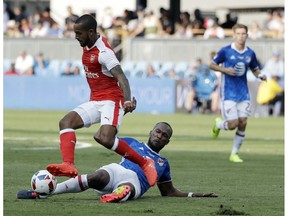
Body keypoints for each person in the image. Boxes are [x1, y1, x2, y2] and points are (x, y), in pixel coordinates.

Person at [46, 14, 157, 187]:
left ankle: (144, 163)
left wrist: (127, 101)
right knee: (65, 122)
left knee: (104, 138)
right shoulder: (88, 43)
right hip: (96, 100)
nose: (76, 37)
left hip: (112, 101)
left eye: (79, 33)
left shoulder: (104, 53)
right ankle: (68, 164)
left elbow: (122, 78)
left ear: (91, 32)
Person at [17, 122, 218, 202]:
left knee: (129, 186)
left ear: (168, 141)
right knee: (97, 176)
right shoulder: (130, 143)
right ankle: (44, 193)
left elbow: (168, 192)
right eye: (158, 131)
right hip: (117, 171)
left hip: (136, 183)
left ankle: (120, 194)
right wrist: (122, 113)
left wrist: (194, 194)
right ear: (151, 132)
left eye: (164, 135)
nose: (159, 136)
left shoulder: (163, 163)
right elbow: (104, 135)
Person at [209, 24, 267, 163]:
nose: (241, 36)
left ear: (247, 35)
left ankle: (234, 154)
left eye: (243, 34)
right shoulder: (226, 51)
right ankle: (218, 125)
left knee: (243, 123)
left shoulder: (250, 53)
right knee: (233, 124)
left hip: (243, 93)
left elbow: (255, 68)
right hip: (228, 92)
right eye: (238, 34)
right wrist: (225, 70)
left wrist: (260, 76)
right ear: (234, 35)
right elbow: (212, 64)